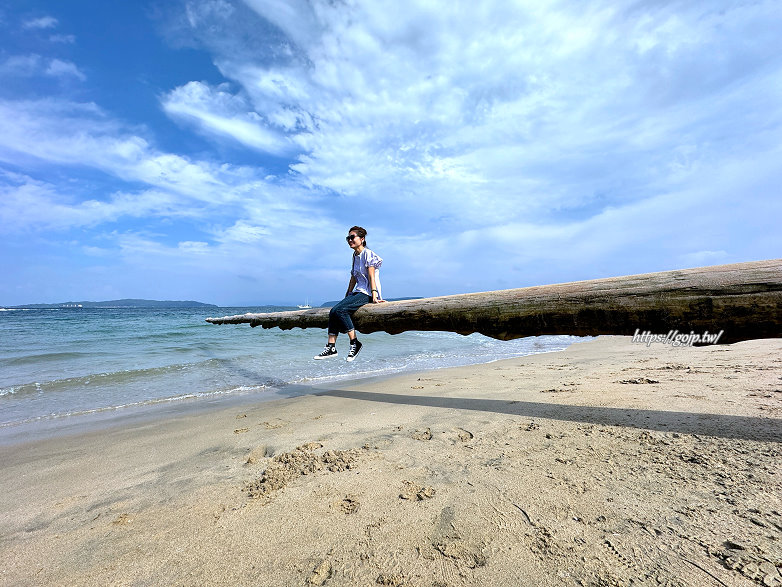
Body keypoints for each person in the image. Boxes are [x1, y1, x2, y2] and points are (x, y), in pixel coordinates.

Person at [314, 226, 384, 362]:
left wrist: (374, 295)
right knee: (334, 310)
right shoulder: (355, 256)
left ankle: (355, 343)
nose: (349, 240)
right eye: (348, 238)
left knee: (340, 311)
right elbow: (353, 277)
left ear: (362, 239)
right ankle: (331, 347)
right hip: (358, 292)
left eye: (352, 237)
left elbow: (371, 276)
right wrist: (348, 294)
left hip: (367, 293)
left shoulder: (367, 254)